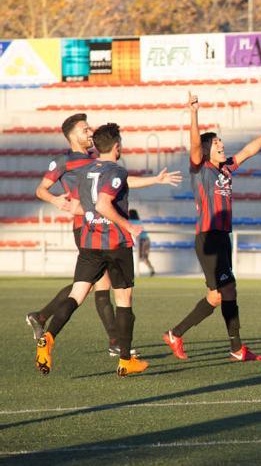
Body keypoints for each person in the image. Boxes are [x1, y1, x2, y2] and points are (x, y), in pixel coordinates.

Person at [27, 113, 180, 356]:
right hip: (88, 226)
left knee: (93, 285)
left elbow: (121, 182)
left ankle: (45, 317)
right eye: (84, 129)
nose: (89, 132)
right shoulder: (63, 161)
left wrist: (155, 180)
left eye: (90, 129)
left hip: (100, 223)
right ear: (71, 136)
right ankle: (115, 343)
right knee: (100, 286)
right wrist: (57, 200)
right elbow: (41, 190)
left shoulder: (94, 161)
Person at [162, 93, 261, 362]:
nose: (222, 146)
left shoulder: (226, 169)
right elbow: (195, 145)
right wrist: (194, 113)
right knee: (221, 292)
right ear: (208, 151)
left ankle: (225, 345)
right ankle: (188, 336)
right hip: (208, 239)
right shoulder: (200, 168)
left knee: (223, 293)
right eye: (217, 143)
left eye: (221, 142)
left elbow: (249, 150)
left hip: (222, 238)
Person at [35, 124, 150, 376]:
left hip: (89, 242)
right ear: (117, 146)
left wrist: (90, 214)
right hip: (115, 243)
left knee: (76, 295)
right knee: (123, 299)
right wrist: (128, 225)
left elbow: (75, 207)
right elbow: (104, 204)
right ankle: (125, 360)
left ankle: (49, 337)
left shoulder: (85, 170)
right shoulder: (117, 170)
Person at [129, 209, 155, 277]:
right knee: (144, 257)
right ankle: (151, 269)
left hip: (141, 241)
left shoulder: (130, 222)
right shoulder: (139, 221)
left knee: (141, 257)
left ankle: (136, 272)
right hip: (146, 239)